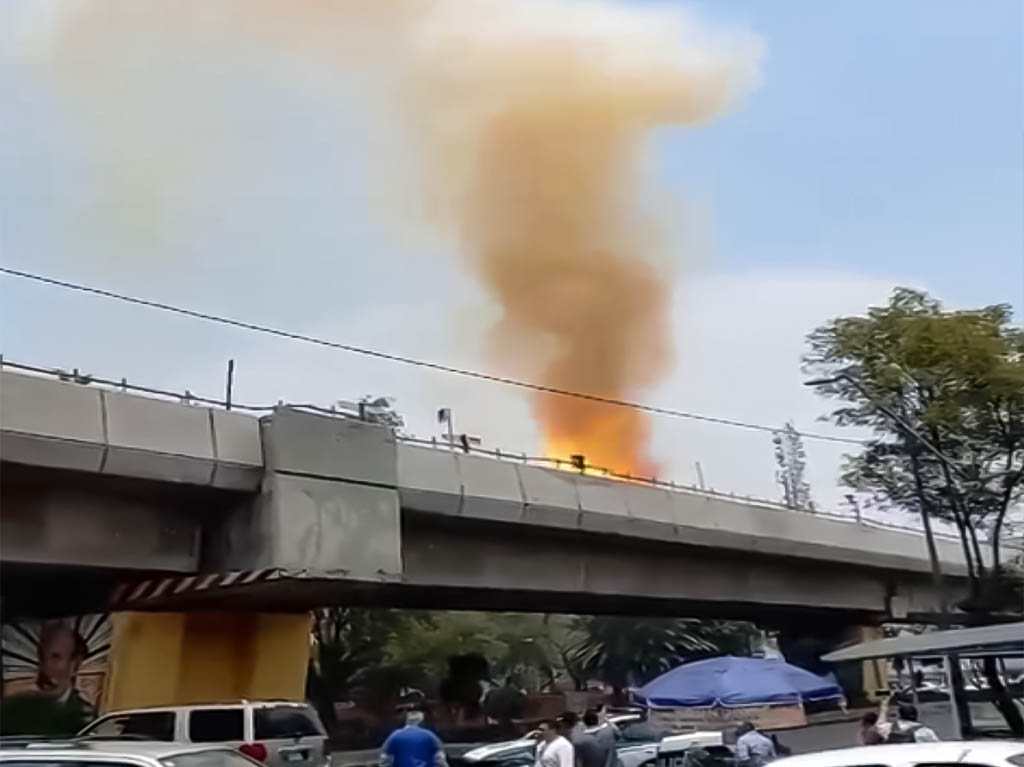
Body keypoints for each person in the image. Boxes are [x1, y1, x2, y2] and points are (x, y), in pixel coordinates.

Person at [0, 622, 96, 736]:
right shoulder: (14, 709)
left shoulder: (85, 715)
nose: (46, 665)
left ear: (74, 665)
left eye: (56, 657)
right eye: (42, 656)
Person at [380, 708, 447, 767]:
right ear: (421, 720)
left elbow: (384, 760)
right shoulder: (430, 736)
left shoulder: (394, 736)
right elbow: (440, 760)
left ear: (406, 721)